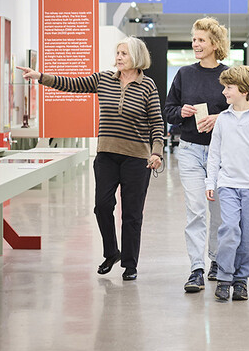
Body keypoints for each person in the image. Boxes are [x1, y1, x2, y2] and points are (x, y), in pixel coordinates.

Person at [19, 37, 164, 281]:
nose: (118, 57)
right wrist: (40, 77)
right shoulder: (104, 79)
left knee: (132, 213)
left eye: (124, 54)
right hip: (106, 155)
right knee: (102, 206)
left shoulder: (147, 86)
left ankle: (130, 264)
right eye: (117, 52)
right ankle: (111, 252)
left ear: (137, 57)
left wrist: (157, 151)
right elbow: (73, 84)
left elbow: (157, 123)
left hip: (137, 160)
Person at [163, 17, 230, 293]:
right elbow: (168, 110)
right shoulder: (184, 75)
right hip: (189, 150)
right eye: (194, 39)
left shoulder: (228, 76)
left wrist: (220, 118)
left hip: (222, 154)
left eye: (201, 40)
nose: (195, 44)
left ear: (214, 44)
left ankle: (216, 260)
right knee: (195, 210)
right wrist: (182, 112)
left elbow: (241, 111)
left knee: (219, 212)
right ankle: (196, 269)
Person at [205, 66, 249, 302]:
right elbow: (213, 154)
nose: (224, 91)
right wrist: (211, 181)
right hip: (228, 186)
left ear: (244, 90)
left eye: (229, 87)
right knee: (229, 230)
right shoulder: (223, 119)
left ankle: (241, 280)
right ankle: (225, 277)